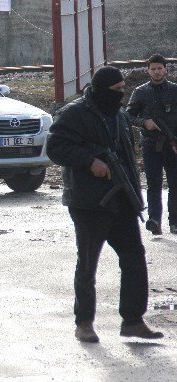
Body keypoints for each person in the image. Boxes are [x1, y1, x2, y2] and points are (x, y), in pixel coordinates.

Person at [47, 66, 163, 342]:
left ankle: (133, 320)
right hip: (89, 202)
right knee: (88, 265)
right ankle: (84, 322)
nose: (121, 95)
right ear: (100, 89)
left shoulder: (120, 116)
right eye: (116, 91)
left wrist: (137, 199)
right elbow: (55, 147)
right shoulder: (74, 113)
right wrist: (90, 161)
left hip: (121, 200)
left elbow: (126, 160)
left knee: (134, 258)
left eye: (124, 90)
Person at [126, 53, 177, 235]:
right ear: (147, 71)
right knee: (154, 183)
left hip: (172, 144)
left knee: (175, 183)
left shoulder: (174, 90)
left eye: (159, 68)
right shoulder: (141, 92)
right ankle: (154, 220)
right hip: (150, 145)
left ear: (166, 69)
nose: (156, 72)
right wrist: (144, 123)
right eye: (153, 69)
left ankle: (174, 222)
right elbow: (128, 115)